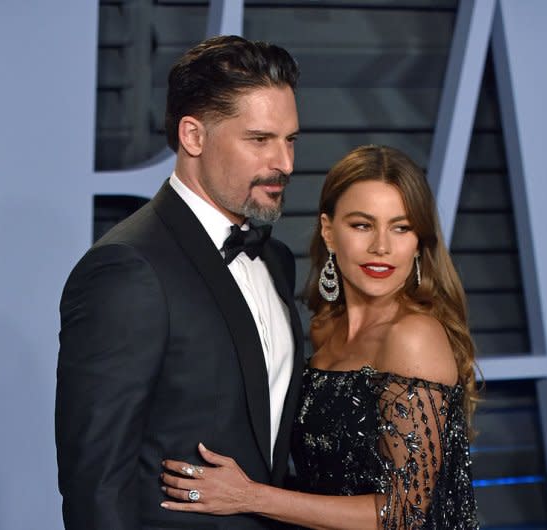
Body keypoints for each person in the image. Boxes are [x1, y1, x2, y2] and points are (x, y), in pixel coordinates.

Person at [159, 145, 480, 529]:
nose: (381, 246)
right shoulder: (325, 327)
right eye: (362, 225)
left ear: (417, 243)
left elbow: (404, 514)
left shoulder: (413, 336)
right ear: (329, 231)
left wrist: (249, 496)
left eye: (401, 227)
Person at [55, 35, 304, 530]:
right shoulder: (127, 267)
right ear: (193, 137)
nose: (285, 163)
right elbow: (95, 481)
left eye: (290, 139)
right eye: (260, 140)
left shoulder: (275, 258)